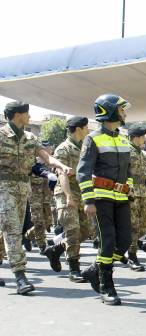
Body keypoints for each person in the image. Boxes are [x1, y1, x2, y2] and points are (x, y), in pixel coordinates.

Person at [0, 101, 72, 295]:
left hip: (23, 187)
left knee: (7, 229)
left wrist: (60, 166)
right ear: (17, 115)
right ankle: (20, 276)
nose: (30, 117)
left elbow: (47, 158)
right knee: (13, 230)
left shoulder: (30, 137)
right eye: (27, 113)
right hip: (3, 187)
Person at [77, 94, 133, 305]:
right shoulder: (93, 138)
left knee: (126, 240)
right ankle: (105, 286)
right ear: (109, 111)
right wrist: (88, 200)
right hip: (100, 199)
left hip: (121, 198)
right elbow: (83, 172)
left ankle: (95, 270)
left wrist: (130, 191)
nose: (124, 113)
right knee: (108, 241)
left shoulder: (123, 138)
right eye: (121, 109)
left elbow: (128, 171)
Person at [43, 116, 93, 282]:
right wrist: (68, 197)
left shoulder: (85, 147)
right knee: (72, 230)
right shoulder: (63, 149)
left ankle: (56, 250)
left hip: (82, 193)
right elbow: (62, 174)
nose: (88, 130)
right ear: (78, 129)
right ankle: (74, 268)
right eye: (86, 127)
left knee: (86, 231)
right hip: (66, 193)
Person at [126, 125, 146, 271]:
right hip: (131, 192)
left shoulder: (144, 154)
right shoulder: (126, 151)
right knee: (133, 225)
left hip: (143, 192)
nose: (145, 139)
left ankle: (124, 248)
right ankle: (132, 256)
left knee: (144, 225)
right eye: (143, 136)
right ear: (136, 137)